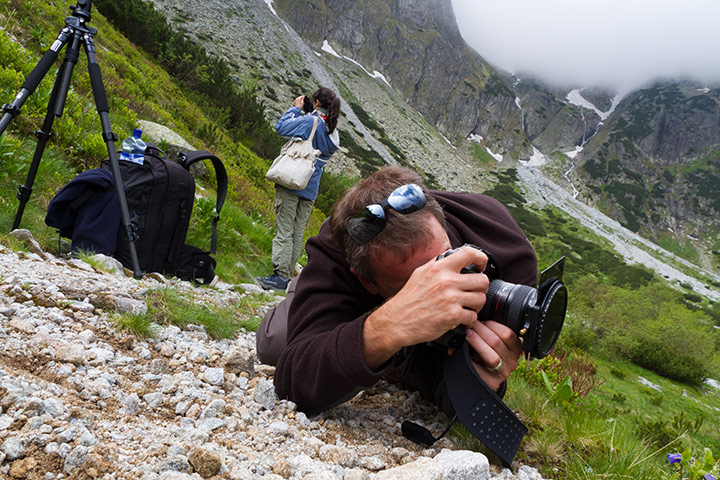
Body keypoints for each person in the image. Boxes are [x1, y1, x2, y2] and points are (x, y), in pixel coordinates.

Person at [272, 166, 538, 415]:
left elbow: (440, 386)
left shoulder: (504, 246)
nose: (440, 286)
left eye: (445, 259)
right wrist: (388, 327)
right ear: (368, 282)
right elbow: (294, 381)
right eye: (418, 285)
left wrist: (481, 376)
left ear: (441, 223)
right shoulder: (337, 247)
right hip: (345, 296)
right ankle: (296, 296)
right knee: (273, 341)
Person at [256, 87, 341, 291]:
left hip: (293, 180)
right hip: (311, 187)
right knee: (297, 231)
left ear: (317, 102)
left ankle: (280, 276)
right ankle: (288, 272)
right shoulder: (333, 131)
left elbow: (281, 127)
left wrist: (295, 109)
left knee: (284, 229)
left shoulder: (310, 121)